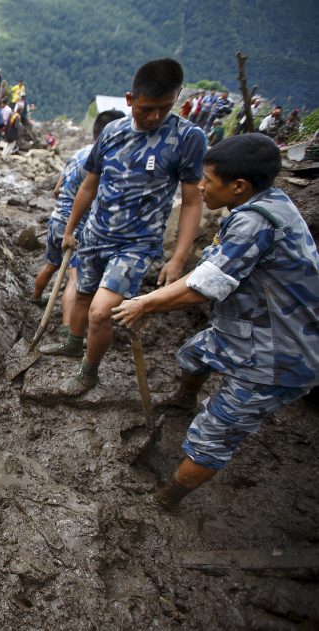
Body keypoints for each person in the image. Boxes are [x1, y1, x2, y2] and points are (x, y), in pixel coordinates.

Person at [111, 134, 319, 512]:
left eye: (207, 180)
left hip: (277, 355)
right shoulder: (264, 203)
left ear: (238, 186)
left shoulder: (256, 223)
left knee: (214, 434)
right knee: (193, 354)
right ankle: (184, 398)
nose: (200, 187)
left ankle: (164, 500)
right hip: (246, 329)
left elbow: (203, 288)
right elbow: (212, 269)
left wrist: (143, 303)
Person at [42, 58, 206, 396]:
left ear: (176, 99)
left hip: (137, 244)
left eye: (165, 107)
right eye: (147, 108)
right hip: (95, 235)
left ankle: (88, 373)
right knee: (84, 295)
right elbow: (89, 185)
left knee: (102, 312)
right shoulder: (112, 133)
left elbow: (191, 202)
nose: (155, 117)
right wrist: (72, 228)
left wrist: (178, 258)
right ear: (130, 99)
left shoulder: (187, 138)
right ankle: (73, 344)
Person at [31, 111, 127, 344]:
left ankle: (35, 298)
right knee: (75, 277)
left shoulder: (79, 153)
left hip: (56, 219)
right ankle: (67, 329)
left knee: (51, 264)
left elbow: (56, 189)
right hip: (75, 227)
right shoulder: (105, 161)